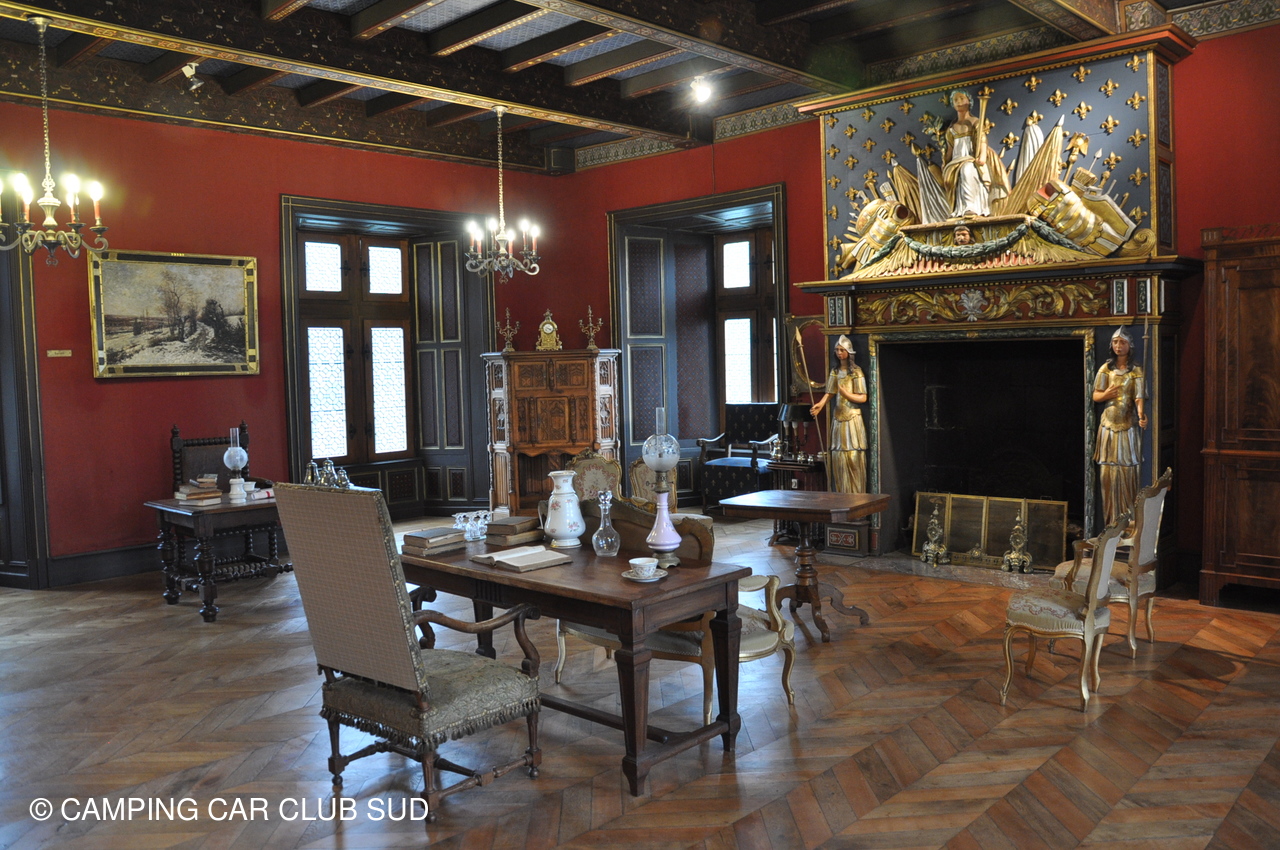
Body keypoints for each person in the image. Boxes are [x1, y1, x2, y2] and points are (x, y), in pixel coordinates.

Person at [1093, 326, 1147, 526]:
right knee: (1107, 472)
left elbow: (1139, 398)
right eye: (1115, 342)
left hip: (1127, 426)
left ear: (1129, 345)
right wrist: (1106, 395)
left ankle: (1128, 521)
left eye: (1122, 342)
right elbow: (1095, 395)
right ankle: (1110, 522)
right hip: (1108, 426)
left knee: (1126, 471)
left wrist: (1141, 415)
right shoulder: (1105, 369)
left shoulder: (1136, 372)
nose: (1118, 346)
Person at [810, 335, 868, 493]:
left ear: (849, 352)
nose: (839, 353)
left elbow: (863, 397)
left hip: (853, 418)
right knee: (838, 457)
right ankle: (842, 494)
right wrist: (820, 405)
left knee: (853, 456)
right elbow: (830, 392)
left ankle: (857, 495)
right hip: (838, 417)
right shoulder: (835, 372)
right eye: (837, 350)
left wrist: (846, 394)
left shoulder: (856, 372)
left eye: (842, 350)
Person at [941, 89, 1008, 218]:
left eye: (962, 98)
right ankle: (959, 209)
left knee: (967, 170)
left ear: (969, 101)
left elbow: (982, 140)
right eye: (955, 100)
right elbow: (950, 147)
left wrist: (982, 156)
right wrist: (946, 163)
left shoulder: (975, 122)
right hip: (956, 161)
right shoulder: (952, 128)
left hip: (971, 159)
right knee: (951, 180)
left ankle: (971, 206)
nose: (959, 102)